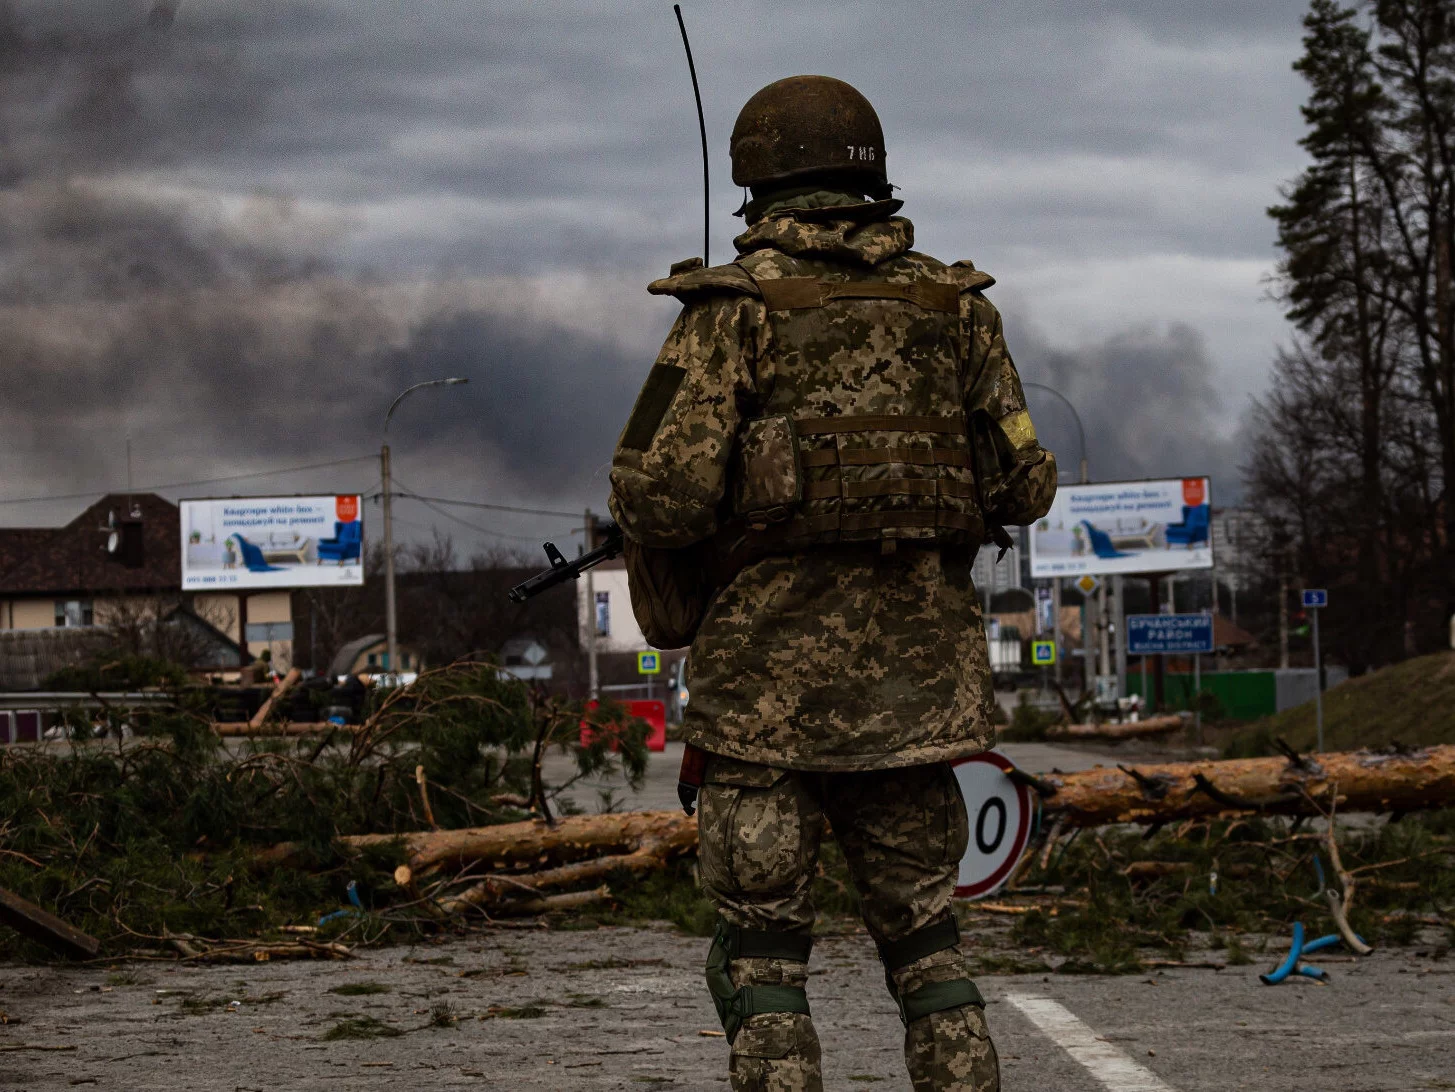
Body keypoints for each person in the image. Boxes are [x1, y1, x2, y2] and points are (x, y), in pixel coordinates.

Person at [608, 74, 1057, 1092]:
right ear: (873, 175)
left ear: (756, 178)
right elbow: (1028, 482)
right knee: (929, 949)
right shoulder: (959, 311)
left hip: (765, 703)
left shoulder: (728, 313)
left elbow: (660, 491)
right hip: (920, 695)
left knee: (764, 959)